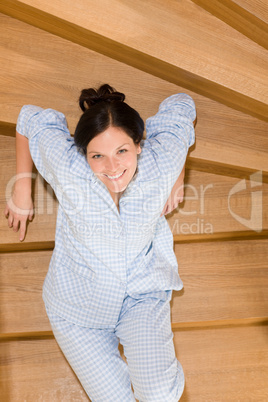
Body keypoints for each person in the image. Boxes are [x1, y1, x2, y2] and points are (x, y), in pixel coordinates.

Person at [5, 84, 196, 401]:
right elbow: (29, 119)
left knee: (160, 396)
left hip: (142, 296)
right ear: (84, 155)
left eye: (121, 151)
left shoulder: (159, 164)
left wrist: (177, 174)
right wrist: (21, 189)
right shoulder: (69, 168)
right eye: (97, 156)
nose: (112, 168)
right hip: (77, 309)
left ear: (138, 145)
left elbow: (182, 104)